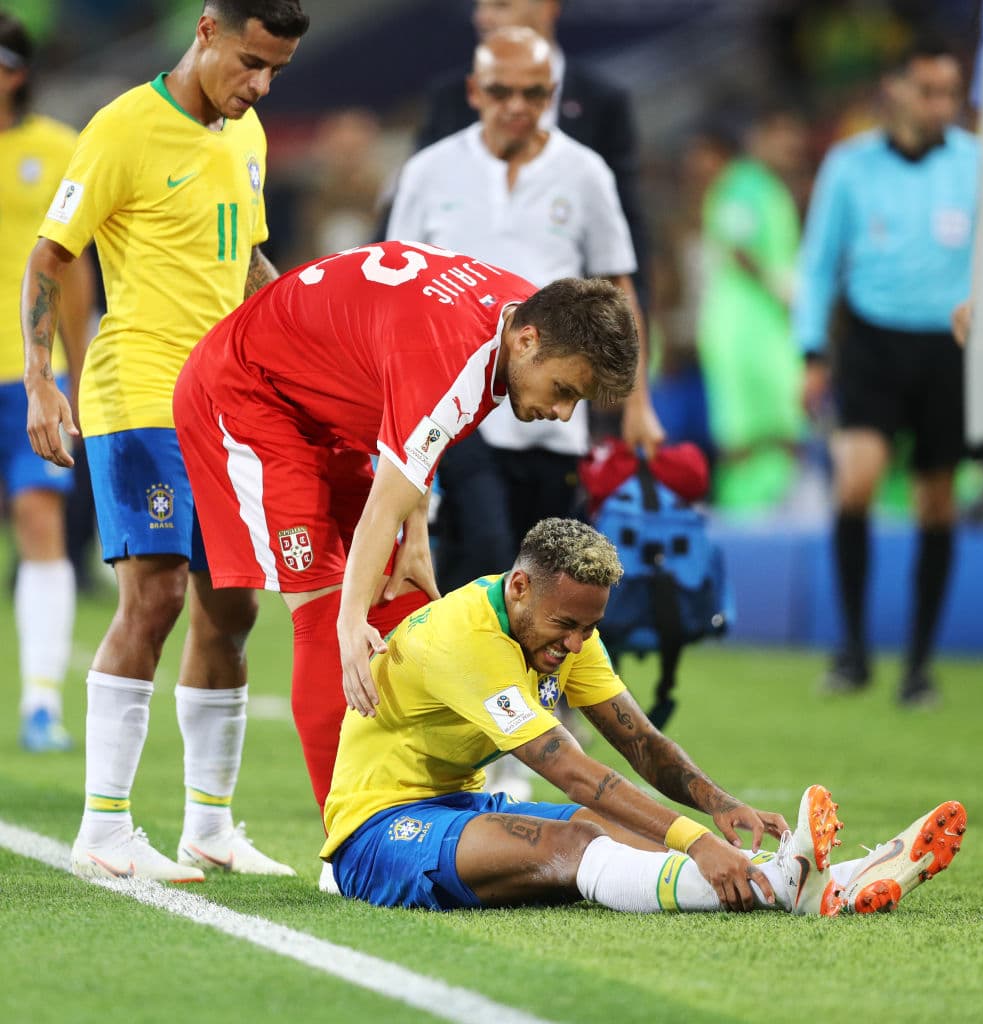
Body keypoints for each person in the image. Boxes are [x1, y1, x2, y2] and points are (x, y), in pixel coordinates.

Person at [172, 242, 640, 813]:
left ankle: (420, 803)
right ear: (528, 341)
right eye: (565, 391)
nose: (563, 415)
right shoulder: (458, 355)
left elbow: (416, 409)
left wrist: (416, 530)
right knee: (328, 625)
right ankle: (347, 840)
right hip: (252, 397)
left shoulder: (523, 315)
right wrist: (349, 621)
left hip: (327, 410)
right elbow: (428, 399)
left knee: (404, 613)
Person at [318, 517, 966, 913]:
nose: (575, 645)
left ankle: (832, 878)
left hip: (459, 808)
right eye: (566, 626)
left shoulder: (565, 625)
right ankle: (782, 888)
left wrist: (718, 805)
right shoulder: (463, 641)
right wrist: (697, 842)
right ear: (519, 587)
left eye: (589, 628)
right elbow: (570, 772)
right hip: (377, 834)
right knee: (578, 843)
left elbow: (641, 743)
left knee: (618, 830)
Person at [21, 0, 310, 882]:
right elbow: (50, 257)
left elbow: (246, 262)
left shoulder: (247, 133)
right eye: (250, 63)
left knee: (234, 608)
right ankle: (104, 826)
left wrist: (304, 334)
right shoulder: (122, 128)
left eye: (275, 73)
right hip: (139, 391)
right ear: (207, 30)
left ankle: (210, 827)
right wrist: (42, 380)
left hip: (228, 406)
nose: (257, 86)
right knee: (154, 600)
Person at [387, 27, 661, 598]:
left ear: (552, 93)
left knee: (537, 578)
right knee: (489, 554)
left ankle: (503, 685)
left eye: (533, 93)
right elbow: (397, 291)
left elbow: (618, 290)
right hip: (457, 402)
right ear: (472, 91)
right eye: (501, 91)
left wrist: (638, 402)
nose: (517, 106)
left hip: (554, 415)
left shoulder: (586, 173)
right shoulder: (429, 172)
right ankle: (470, 682)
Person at [794, 37, 979, 706]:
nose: (941, 106)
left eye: (950, 94)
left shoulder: (976, 164)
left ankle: (920, 666)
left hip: (950, 350)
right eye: (928, 91)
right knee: (857, 482)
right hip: (872, 342)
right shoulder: (850, 166)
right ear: (896, 89)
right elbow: (818, 263)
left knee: (938, 501)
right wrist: (811, 351)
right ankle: (853, 653)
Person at [411, 0, 650, 313]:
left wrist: (631, 337)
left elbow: (623, 235)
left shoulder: (602, 105)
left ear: (548, 7)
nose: (483, 18)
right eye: (479, 6)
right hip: (457, 332)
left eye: (501, 5)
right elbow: (402, 247)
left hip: (562, 335)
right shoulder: (448, 102)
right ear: (475, 93)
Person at [0, 12, 94, 752]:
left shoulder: (59, 150)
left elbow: (73, 270)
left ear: (19, 70)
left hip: (27, 379)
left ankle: (39, 703)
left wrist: (83, 369)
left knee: (41, 523)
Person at [697, 106, 808, 514]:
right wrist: (780, 288)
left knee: (784, 422)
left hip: (769, 327)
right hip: (744, 329)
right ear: (759, 135)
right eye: (782, 133)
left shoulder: (765, 187)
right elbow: (740, 248)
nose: (793, 144)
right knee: (748, 429)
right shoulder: (740, 184)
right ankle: (744, 511)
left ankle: (773, 506)